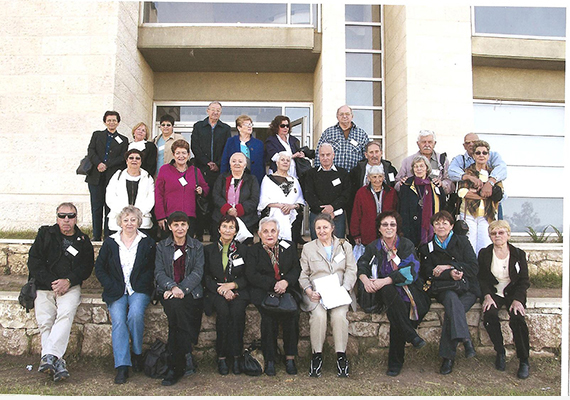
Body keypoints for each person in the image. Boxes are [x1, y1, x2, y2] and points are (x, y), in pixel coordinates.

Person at [357, 211, 429, 377]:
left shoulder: (406, 245)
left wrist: (385, 280)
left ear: (397, 228)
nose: (389, 228)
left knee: (397, 312)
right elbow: (362, 267)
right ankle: (411, 336)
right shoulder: (373, 247)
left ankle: (395, 363)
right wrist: (366, 280)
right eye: (385, 225)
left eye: (392, 224)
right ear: (379, 228)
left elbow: (410, 272)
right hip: (381, 291)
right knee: (390, 294)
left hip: (407, 289)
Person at [27, 202, 94, 382]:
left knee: (65, 314)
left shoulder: (83, 241)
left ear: (76, 218)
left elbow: (86, 267)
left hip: (70, 287)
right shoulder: (45, 234)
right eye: (62, 216)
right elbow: (34, 262)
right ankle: (57, 361)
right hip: (45, 285)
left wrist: (69, 280)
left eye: (70, 216)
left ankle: (48, 357)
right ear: (57, 217)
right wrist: (52, 282)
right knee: (45, 322)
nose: (66, 220)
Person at [94, 206, 155, 384]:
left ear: (138, 222)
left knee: (135, 315)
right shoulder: (110, 242)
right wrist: (110, 284)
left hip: (138, 289)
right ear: (120, 222)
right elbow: (100, 268)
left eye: (133, 220)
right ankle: (122, 365)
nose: (129, 223)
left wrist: (142, 284)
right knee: (119, 321)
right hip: (116, 289)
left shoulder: (147, 242)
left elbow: (151, 268)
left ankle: (136, 353)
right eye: (126, 220)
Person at [418, 211, 481, 375]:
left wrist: (451, 267)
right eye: (437, 223)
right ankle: (465, 340)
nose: (441, 226)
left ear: (452, 226)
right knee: (452, 302)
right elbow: (427, 272)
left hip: (466, 288)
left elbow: (473, 267)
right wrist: (448, 275)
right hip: (444, 288)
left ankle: (449, 357)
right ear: (433, 226)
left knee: (453, 310)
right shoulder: (427, 247)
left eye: (445, 223)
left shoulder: (462, 242)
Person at [299, 213, 357, 378]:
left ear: (333, 228)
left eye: (325, 227)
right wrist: (309, 291)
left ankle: (341, 357)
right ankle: (316, 356)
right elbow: (303, 275)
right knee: (318, 316)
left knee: (339, 316)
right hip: (317, 294)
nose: (322, 231)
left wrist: (345, 289)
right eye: (318, 228)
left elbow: (351, 270)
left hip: (339, 292)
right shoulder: (308, 248)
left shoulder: (345, 246)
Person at [245, 217, 301, 376]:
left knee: (292, 315)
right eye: (265, 231)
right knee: (268, 318)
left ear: (278, 232)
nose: (269, 234)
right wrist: (273, 285)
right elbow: (251, 274)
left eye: (273, 231)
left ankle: (290, 357)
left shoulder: (288, 247)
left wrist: (285, 282)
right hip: (263, 291)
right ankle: (270, 359)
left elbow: (296, 269)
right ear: (259, 234)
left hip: (287, 290)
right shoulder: (253, 251)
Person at [155, 211, 205, 386]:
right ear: (169, 227)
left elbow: (198, 272)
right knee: (176, 307)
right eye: (176, 224)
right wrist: (172, 287)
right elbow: (159, 272)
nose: (180, 228)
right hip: (169, 291)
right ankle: (184, 357)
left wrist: (182, 288)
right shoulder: (162, 247)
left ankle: (175, 364)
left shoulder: (197, 246)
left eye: (183, 224)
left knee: (176, 319)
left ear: (188, 226)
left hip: (191, 292)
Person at [478, 220, 530, 379]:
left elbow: (524, 280)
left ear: (508, 234)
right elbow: (481, 278)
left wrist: (518, 300)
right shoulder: (484, 253)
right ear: (490, 236)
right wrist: (487, 295)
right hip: (494, 292)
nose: (497, 236)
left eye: (501, 232)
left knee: (517, 318)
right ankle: (500, 351)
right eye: (493, 233)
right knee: (490, 315)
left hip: (513, 293)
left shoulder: (518, 253)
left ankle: (524, 360)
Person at [203, 215, 249, 375]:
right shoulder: (208, 250)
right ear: (218, 229)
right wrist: (220, 289)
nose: (228, 230)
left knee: (237, 314)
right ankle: (221, 356)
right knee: (223, 313)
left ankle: (236, 356)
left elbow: (247, 275)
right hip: (216, 292)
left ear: (236, 231)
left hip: (238, 291)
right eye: (224, 226)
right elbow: (205, 276)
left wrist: (233, 285)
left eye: (231, 227)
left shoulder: (243, 250)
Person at [85, 110, 129, 241]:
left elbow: (123, 157)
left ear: (118, 122)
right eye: (109, 120)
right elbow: (91, 151)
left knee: (110, 207)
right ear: (105, 122)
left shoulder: (123, 139)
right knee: (96, 206)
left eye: (114, 120)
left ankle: (109, 235)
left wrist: (107, 164)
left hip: (112, 177)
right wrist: (99, 163)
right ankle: (97, 235)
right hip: (96, 176)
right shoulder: (97, 135)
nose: (111, 123)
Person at [191, 101, 232, 240]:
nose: (215, 112)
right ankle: (200, 233)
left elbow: (227, 149)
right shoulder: (198, 126)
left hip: (219, 171)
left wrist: (218, 164)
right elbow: (194, 146)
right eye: (213, 109)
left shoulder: (225, 128)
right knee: (201, 201)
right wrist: (206, 162)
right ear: (207, 111)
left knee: (216, 201)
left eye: (218, 110)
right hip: (202, 169)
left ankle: (215, 233)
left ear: (221, 113)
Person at [154, 139, 209, 239]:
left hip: (189, 218)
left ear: (188, 155)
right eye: (178, 153)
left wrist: (201, 190)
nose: (181, 156)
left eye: (184, 153)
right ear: (173, 155)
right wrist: (160, 216)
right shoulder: (164, 170)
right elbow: (158, 193)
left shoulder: (195, 171)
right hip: (169, 217)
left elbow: (206, 188)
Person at [457, 140, 504, 255]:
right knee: (469, 247)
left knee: (485, 246)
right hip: (468, 214)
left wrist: (475, 192)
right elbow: (462, 192)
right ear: (473, 155)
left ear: (488, 155)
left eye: (484, 153)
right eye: (478, 153)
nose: (481, 155)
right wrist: (484, 194)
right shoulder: (467, 172)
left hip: (487, 215)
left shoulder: (494, 174)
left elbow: (499, 194)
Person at [304, 143, 351, 240]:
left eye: (328, 154)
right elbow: (309, 194)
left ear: (333, 155)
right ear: (318, 156)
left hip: (336, 216)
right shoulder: (311, 174)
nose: (325, 158)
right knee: (317, 247)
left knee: (337, 247)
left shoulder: (343, 173)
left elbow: (346, 194)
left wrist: (332, 207)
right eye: (322, 155)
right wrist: (324, 211)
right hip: (316, 215)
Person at [399, 155, 447, 247]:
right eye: (416, 166)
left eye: (421, 166)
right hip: (412, 227)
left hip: (431, 226)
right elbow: (402, 209)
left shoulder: (435, 184)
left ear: (427, 168)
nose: (419, 169)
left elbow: (442, 205)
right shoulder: (406, 185)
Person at [212, 152, 260, 244]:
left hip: (246, 220)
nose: (237, 163)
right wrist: (228, 209)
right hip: (221, 219)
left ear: (245, 165)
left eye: (240, 161)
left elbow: (254, 199)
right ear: (230, 164)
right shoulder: (222, 178)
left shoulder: (252, 179)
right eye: (234, 161)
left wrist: (238, 210)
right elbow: (215, 195)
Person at [106, 149, 155, 238]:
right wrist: (125, 214)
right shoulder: (117, 176)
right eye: (131, 158)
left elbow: (150, 199)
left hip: (142, 222)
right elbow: (110, 197)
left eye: (137, 158)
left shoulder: (148, 178)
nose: (134, 160)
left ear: (141, 161)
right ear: (126, 161)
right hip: (118, 223)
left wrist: (136, 215)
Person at [257, 151, 305, 242]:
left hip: (291, 219)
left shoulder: (294, 180)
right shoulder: (268, 179)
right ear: (277, 162)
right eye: (282, 160)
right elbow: (263, 200)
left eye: (288, 160)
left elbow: (300, 201)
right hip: (272, 219)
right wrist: (280, 206)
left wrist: (291, 206)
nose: (285, 162)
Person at [350, 166, 398, 246]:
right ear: (368, 178)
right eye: (374, 177)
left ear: (383, 177)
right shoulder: (361, 193)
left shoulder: (391, 192)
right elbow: (356, 214)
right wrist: (356, 234)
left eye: (380, 176)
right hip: (368, 233)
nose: (377, 180)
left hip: (388, 232)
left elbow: (396, 212)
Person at [395, 130, 454, 195]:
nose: (427, 145)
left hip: (436, 201)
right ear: (418, 144)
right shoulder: (407, 161)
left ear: (434, 143)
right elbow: (396, 184)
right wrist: (402, 183)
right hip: (413, 201)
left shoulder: (442, 160)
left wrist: (442, 184)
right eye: (423, 142)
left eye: (430, 142)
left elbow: (451, 183)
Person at [315, 105, 369, 173]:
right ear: (337, 117)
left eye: (347, 114)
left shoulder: (361, 134)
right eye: (341, 114)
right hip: (332, 176)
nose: (344, 116)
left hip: (354, 177)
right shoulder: (328, 133)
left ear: (352, 116)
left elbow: (367, 157)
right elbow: (318, 154)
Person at [220, 114, 265, 185]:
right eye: (246, 124)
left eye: (250, 124)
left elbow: (262, 165)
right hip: (234, 179)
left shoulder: (259, 143)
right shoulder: (231, 142)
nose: (249, 126)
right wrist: (223, 179)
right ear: (239, 128)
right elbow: (224, 161)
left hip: (254, 180)